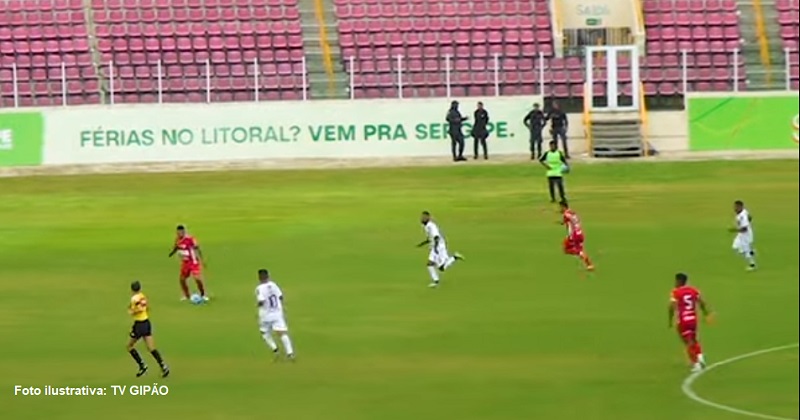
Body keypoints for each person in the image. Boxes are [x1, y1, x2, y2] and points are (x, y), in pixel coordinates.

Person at [668, 273, 712, 373]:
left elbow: (671, 306)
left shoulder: (676, 292)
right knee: (694, 340)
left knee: (687, 343)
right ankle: (700, 358)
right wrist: (706, 313)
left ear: (679, 281)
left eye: (676, 281)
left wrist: (670, 320)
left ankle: (696, 364)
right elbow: (702, 302)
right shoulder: (694, 290)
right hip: (693, 319)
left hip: (683, 320)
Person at [126, 281, 170, 378]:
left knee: (129, 346)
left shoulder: (134, 299)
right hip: (146, 323)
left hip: (139, 325)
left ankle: (142, 365)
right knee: (151, 348)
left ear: (132, 289)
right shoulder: (142, 296)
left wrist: (131, 311)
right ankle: (163, 366)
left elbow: (137, 310)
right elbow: (147, 308)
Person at [255, 269, 295, 360]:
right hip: (277, 313)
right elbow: (280, 297)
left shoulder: (259, 288)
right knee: (282, 333)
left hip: (265, 315)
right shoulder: (273, 285)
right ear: (268, 276)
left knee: (264, 332)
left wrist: (258, 305)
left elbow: (261, 301)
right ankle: (290, 353)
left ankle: (275, 349)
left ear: (259, 278)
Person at [416, 211, 464, 288]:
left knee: (442, 267)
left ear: (428, 218)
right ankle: (436, 282)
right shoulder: (426, 226)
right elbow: (429, 239)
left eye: (424, 217)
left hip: (439, 247)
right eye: (422, 217)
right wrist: (422, 244)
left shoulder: (431, 226)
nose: (422, 219)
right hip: (434, 247)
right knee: (429, 264)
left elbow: (436, 237)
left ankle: (454, 257)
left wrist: (436, 248)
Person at [168, 224, 208, 302]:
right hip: (185, 263)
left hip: (193, 262)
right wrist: (172, 253)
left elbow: (197, 248)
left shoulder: (190, 239)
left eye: (181, 232)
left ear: (184, 231)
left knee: (197, 279)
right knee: (182, 279)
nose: (179, 234)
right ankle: (187, 296)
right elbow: (176, 247)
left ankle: (203, 295)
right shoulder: (177, 239)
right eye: (178, 232)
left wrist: (202, 260)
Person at [559, 201, 594, 271]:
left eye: (560, 207)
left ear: (563, 207)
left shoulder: (566, 214)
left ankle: (580, 254)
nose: (560, 208)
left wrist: (559, 221)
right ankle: (589, 265)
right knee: (579, 250)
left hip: (573, 235)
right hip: (580, 233)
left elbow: (563, 222)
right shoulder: (573, 213)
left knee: (566, 249)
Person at [730, 200, 756, 270]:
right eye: (734, 207)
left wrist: (734, 230)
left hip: (746, 236)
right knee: (735, 247)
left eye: (736, 207)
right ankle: (751, 251)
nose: (735, 208)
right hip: (741, 234)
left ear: (741, 207)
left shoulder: (743, 216)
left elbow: (744, 229)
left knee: (745, 251)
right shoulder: (744, 212)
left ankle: (752, 265)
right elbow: (750, 217)